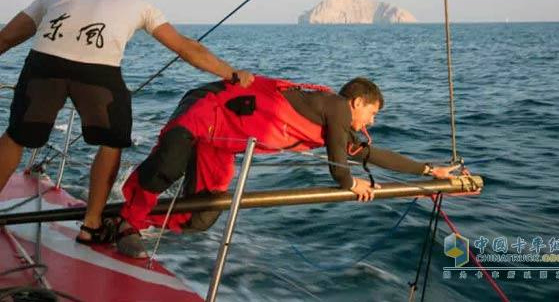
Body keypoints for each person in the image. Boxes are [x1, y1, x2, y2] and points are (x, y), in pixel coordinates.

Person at [0, 0, 254, 245]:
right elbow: (186, 48)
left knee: (16, 136)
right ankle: (91, 224)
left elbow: (6, 38)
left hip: (43, 65)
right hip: (98, 72)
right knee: (112, 142)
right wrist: (231, 72)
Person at [115, 75, 465, 258]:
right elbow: (340, 171)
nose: (370, 122)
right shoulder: (338, 107)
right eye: (371, 113)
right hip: (209, 106)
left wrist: (427, 170)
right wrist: (350, 184)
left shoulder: (335, 127)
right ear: (357, 102)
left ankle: (127, 217)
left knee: (202, 217)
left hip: (222, 142)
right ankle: (128, 221)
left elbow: (373, 156)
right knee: (170, 163)